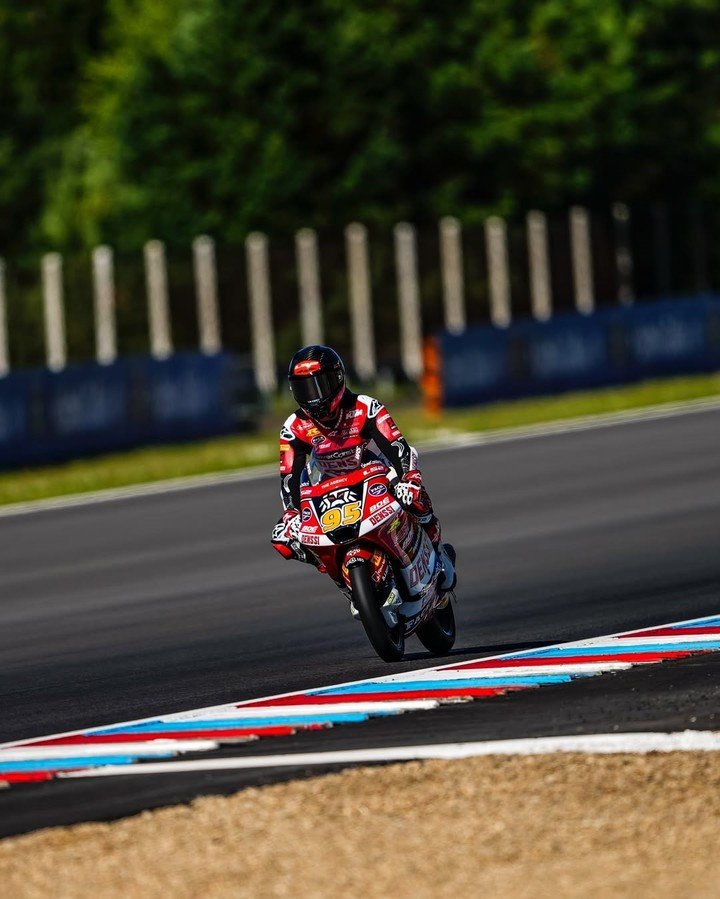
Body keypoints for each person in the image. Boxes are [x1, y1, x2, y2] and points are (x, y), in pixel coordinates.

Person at [271, 345, 456, 604]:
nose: (314, 397)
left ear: (337, 379)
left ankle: (437, 552)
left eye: (319, 385)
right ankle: (343, 580)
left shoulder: (365, 407)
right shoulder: (293, 428)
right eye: (304, 389)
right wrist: (291, 514)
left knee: (413, 496)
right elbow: (290, 476)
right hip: (328, 487)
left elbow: (396, 446)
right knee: (287, 542)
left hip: (377, 472)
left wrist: (408, 478)